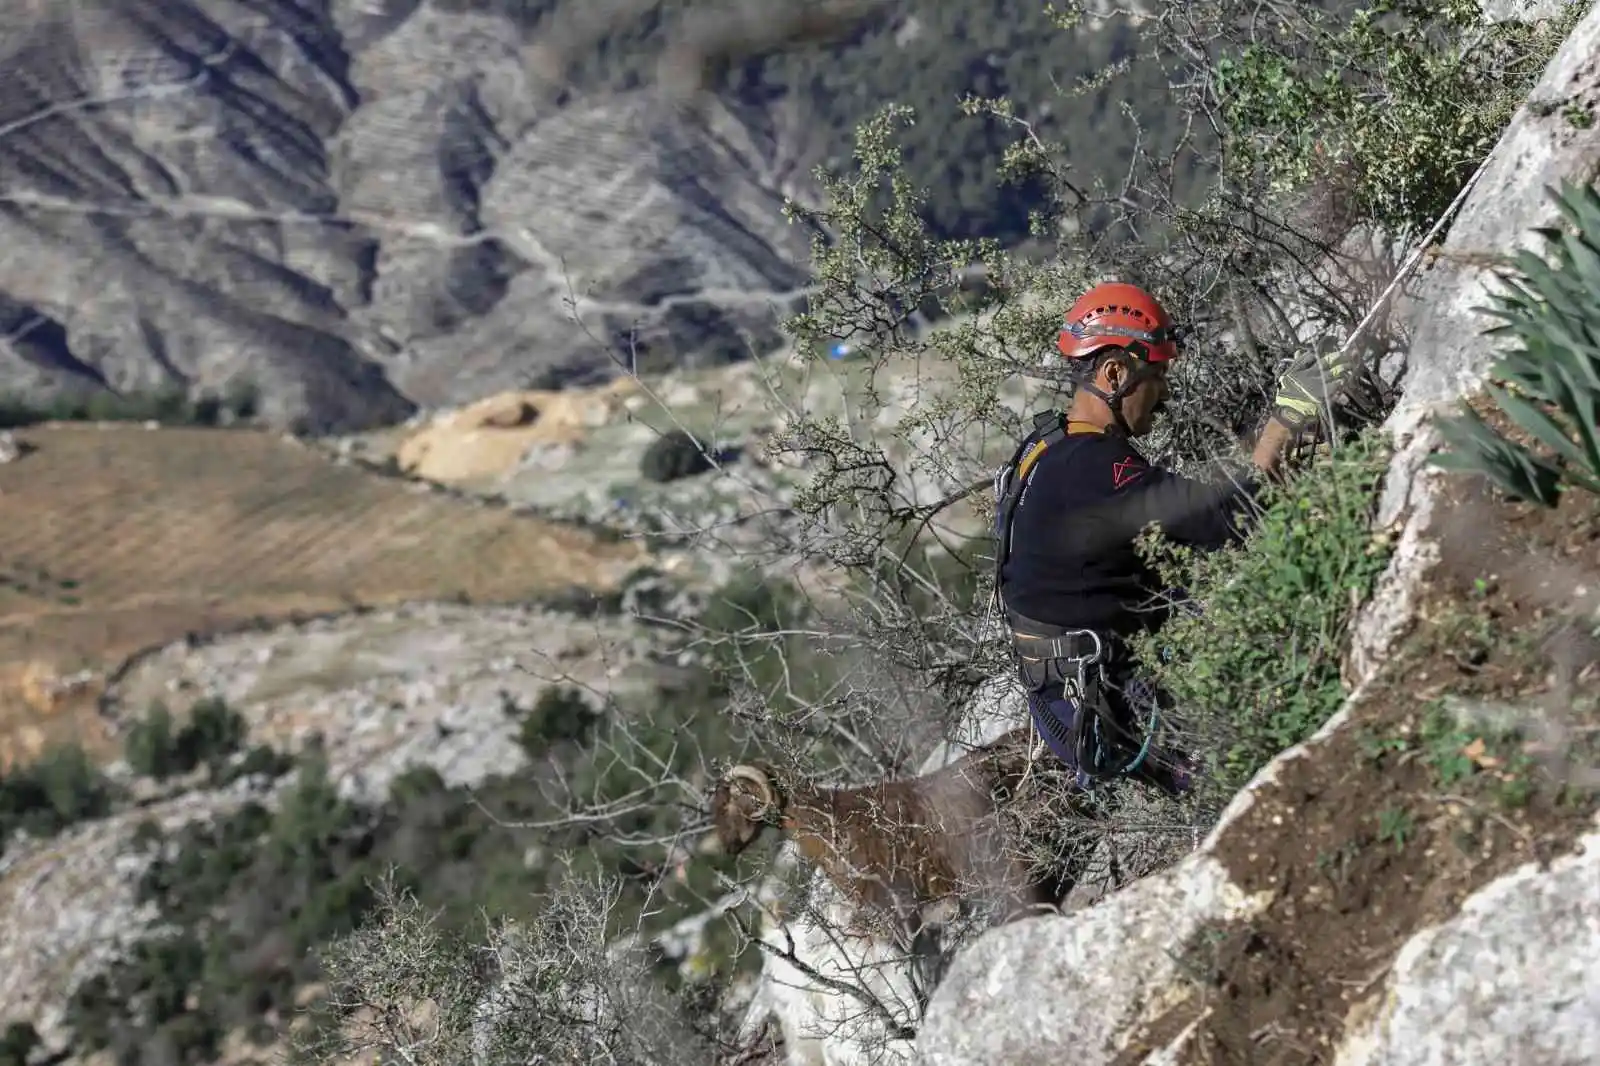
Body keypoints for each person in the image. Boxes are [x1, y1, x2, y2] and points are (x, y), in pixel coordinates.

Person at [991, 280, 1353, 796]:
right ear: (1114, 373)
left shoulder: (1046, 446)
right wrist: (1284, 423)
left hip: (1065, 693)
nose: (1162, 397)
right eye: (1155, 376)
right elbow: (1226, 521)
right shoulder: (1093, 468)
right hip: (1111, 709)